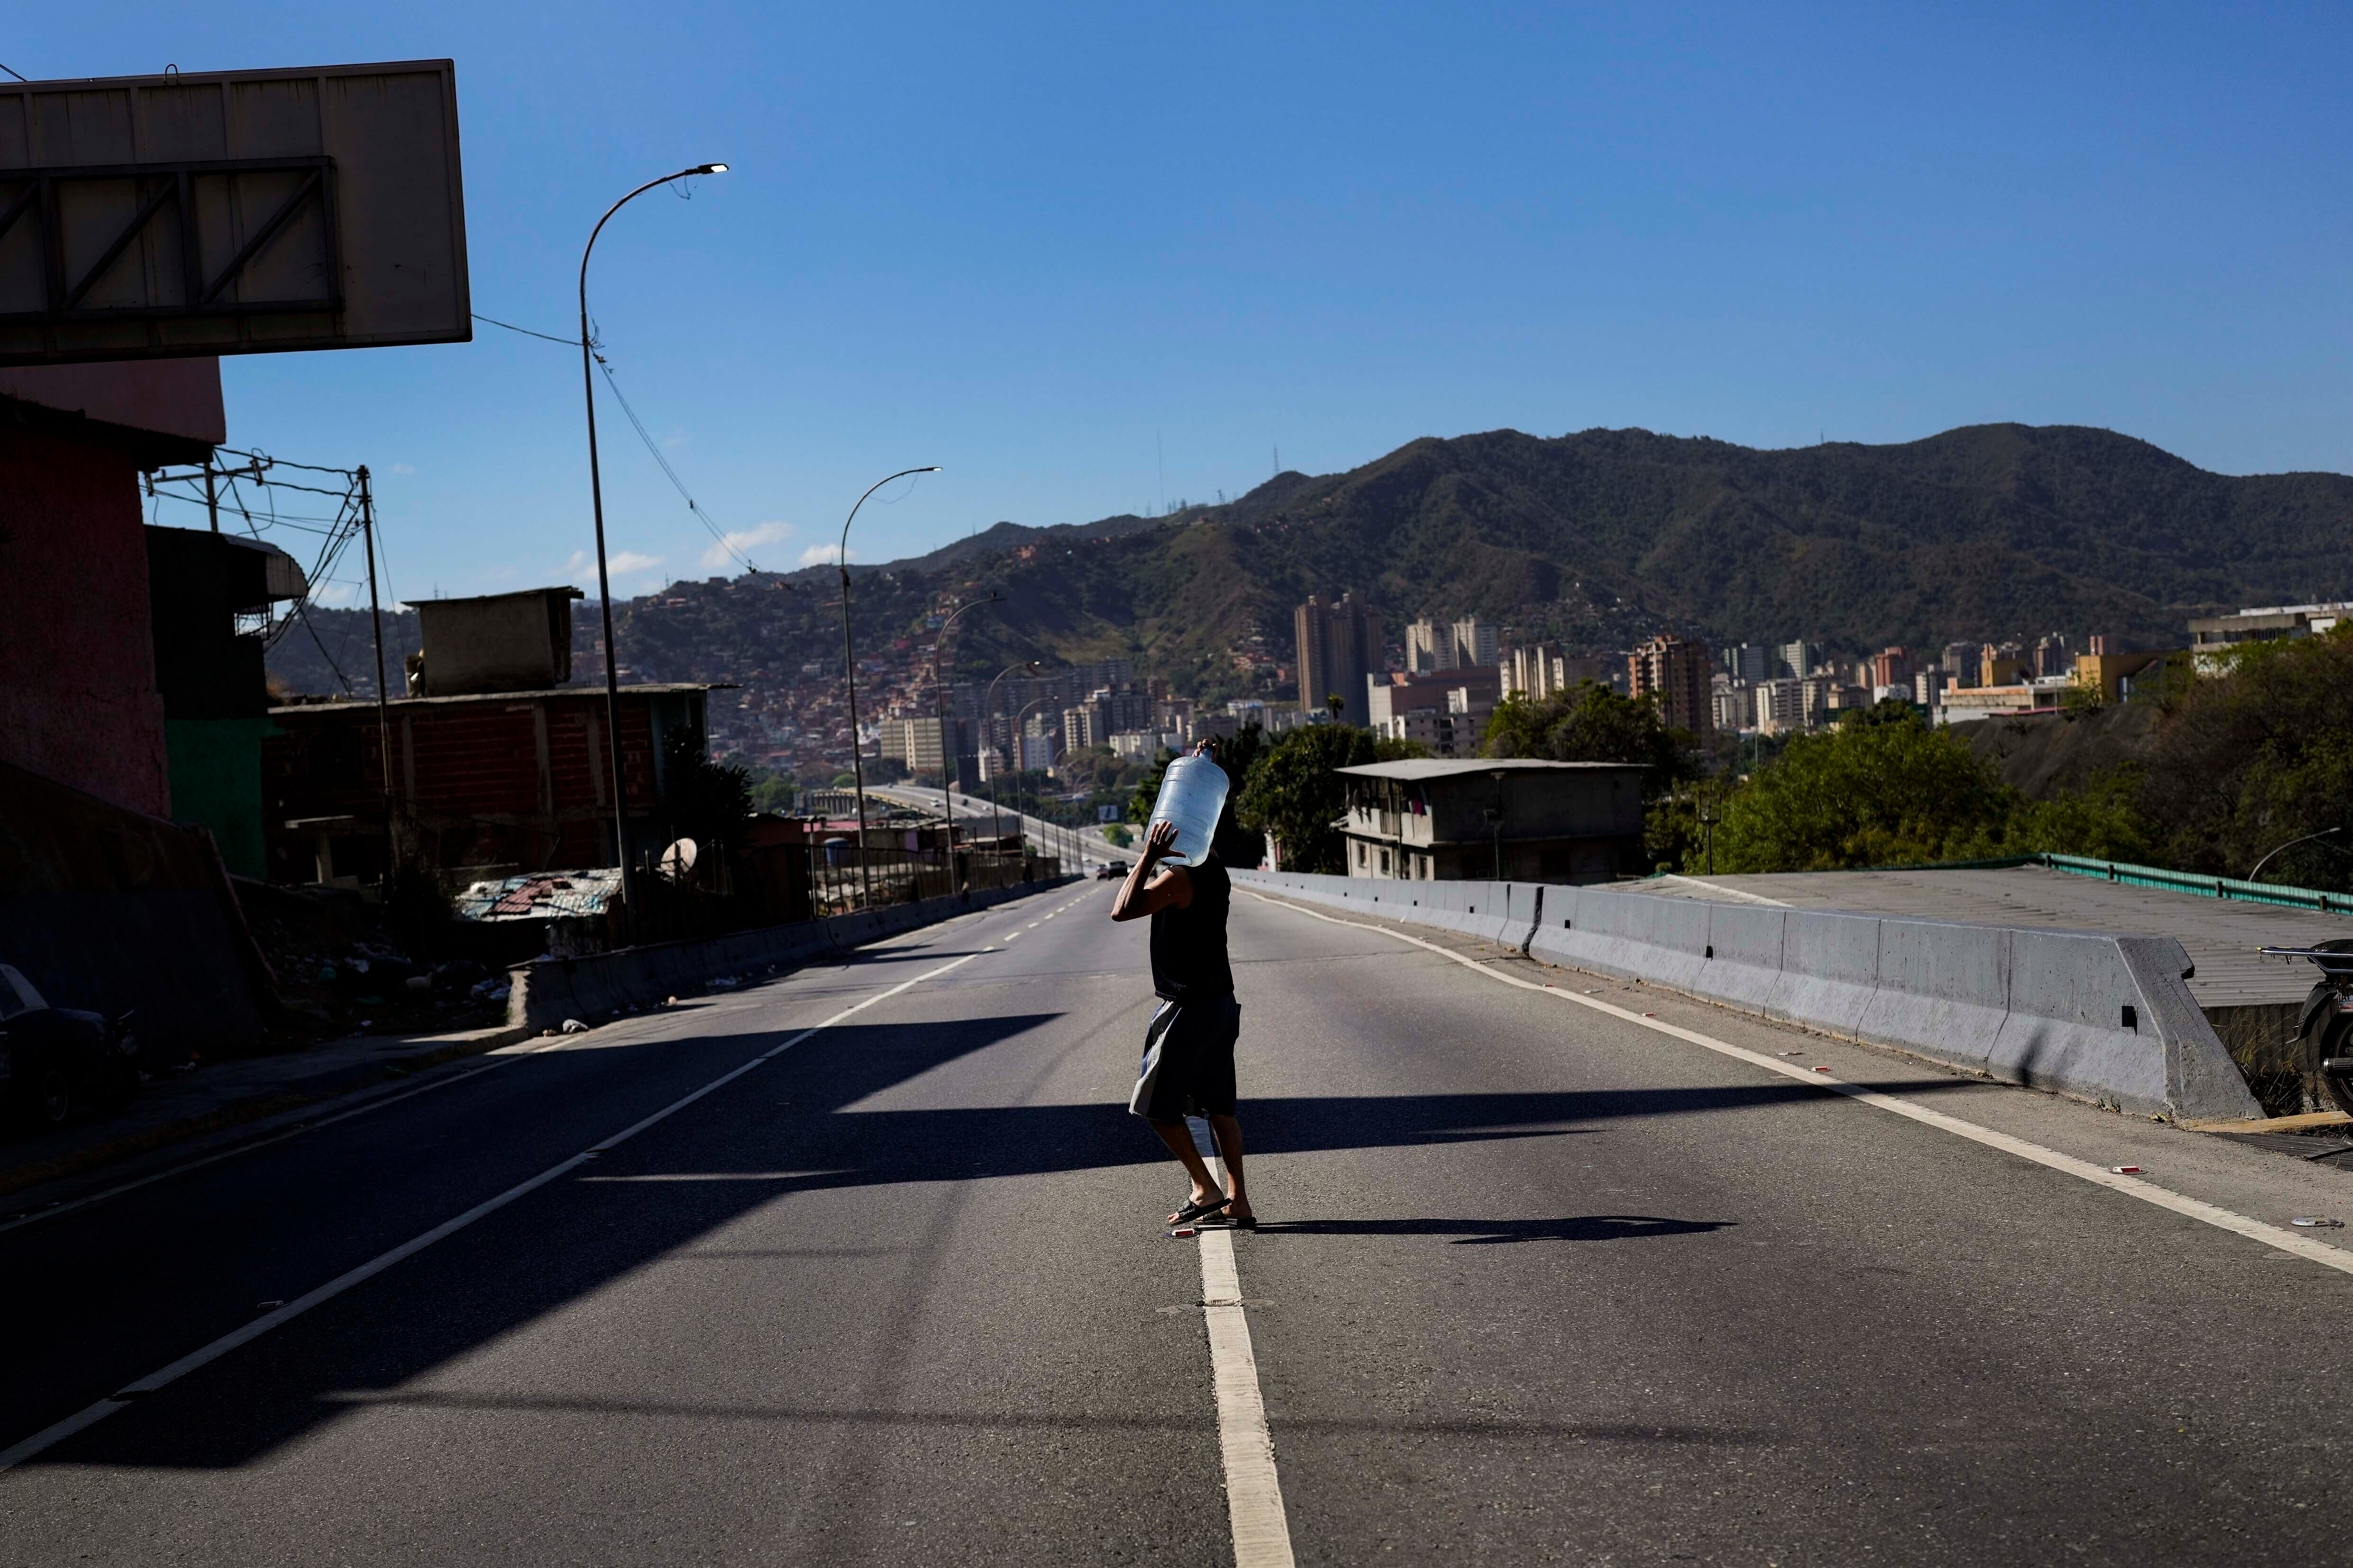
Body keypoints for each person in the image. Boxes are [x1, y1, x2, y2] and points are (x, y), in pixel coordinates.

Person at [1109, 745, 1253, 1230]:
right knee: (1221, 1109)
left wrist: (1147, 854)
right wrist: (1200, 768)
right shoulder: (1214, 869)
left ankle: (1204, 1186)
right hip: (1220, 1002)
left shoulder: (1179, 879)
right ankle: (1239, 1201)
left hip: (1188, 1006)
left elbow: (1122, 909)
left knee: (1155, 1106)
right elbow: (1195, 814)